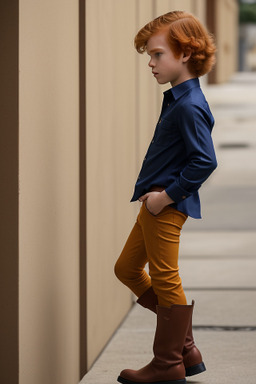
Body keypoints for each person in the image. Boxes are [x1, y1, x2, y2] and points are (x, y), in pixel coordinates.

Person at [114, 10, 217, 384]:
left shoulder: (189, 105)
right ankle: (186, 347)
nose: (151, 63)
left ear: (185, 53)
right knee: (126, 269)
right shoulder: (177, 98)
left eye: (157, 54)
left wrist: (166, 197)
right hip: (153, 202)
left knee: (165, 277)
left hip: (165, 206)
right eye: (149, 55)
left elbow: (205, 161)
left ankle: (167, 362)